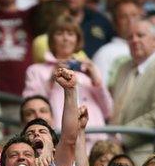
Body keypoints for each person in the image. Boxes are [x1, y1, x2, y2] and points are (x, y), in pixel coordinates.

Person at [23, 15, 112, 150]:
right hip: (60, 139)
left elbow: (108, 111)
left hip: (95, 139)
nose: (65, 38)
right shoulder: (36, 70)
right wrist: (51, 79)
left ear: (77, 39)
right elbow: (30, 108)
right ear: (52, 39)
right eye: (60, 33)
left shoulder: (87, 71)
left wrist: (96, 81)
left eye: (70, 33)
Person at [110, 19, 155, 166]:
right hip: (117, 154)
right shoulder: (123, 68)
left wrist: (121, 136)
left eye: (140, 35)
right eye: (130, 37)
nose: (134, 40)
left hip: (150, 158)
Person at [92, 0, 141, 87]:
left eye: (134, 15)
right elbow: (100, 89)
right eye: (124, 17)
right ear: (115, 23)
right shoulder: (105, 53)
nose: (130, 21)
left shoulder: (150, 49)